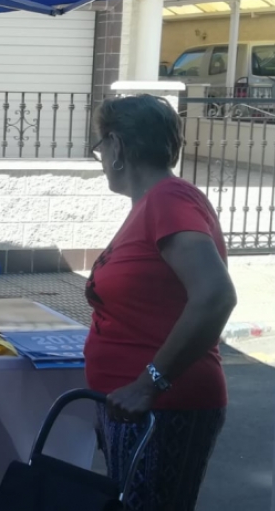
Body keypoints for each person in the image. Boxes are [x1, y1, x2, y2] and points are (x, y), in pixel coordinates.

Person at [86, 94, 237, 511]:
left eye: (100, 146)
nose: (101, 159)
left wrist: (148, 383)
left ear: (117, 146)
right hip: (136, 408)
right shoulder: (152, 204)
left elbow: (216, 294)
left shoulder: (169, 200)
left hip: (162, 409)